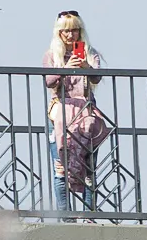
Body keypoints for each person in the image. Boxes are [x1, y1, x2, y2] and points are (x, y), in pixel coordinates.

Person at [42, 11, 110, 211]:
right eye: (66, 32)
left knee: (89, 168)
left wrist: (85, 66)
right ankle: (65, 215)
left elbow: (96, 78)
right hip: (61, 111)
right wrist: (65, 68)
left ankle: (89, 214)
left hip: (86, 112)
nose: (71, 36)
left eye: (74, 30)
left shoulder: (90, 53)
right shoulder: (52, 55)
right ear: (59, 33)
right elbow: (48, 81)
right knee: (60, 167)